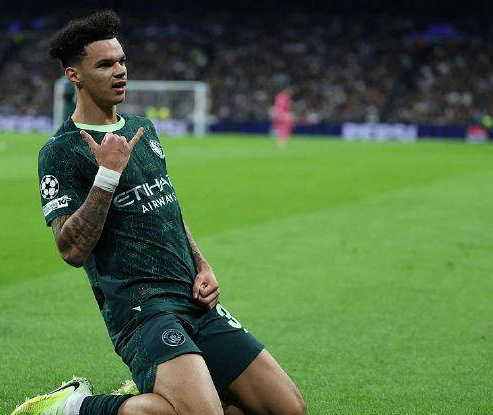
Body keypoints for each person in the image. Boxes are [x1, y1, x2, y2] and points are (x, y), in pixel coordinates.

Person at [16, 10, 306, 415]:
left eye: (121, 61)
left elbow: (165, 205)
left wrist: (202, 264)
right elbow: (71, 250)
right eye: (105, 65)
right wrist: (106, 176)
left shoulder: (142, 128)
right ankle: (72, 407)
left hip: (193, 297)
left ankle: (167, 389)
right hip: (142, 308)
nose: (120, 71)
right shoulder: (61, 151)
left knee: (287, 409)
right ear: (73, 75)